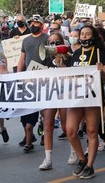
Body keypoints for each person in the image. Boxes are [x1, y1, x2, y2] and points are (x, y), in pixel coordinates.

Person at [66, 25, 105, 179]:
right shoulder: (76, 53)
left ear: (93, 36)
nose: (84, 37)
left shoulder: (101, 54)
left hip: (93, 97)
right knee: (70, 130)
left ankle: (90, 166)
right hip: (77, 97)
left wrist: (100, 72)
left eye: (87, 34)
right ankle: (82, 159)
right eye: (82, 34)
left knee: (92, 131)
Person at [38, 32, 70, 170]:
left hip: (65, 95)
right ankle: (48, 158)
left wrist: (61, 64)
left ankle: (74, 152)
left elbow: (72, 75)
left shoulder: (68, 58)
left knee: (66, 126)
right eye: (50, 42)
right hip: (50, 95)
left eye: (56, 42)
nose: (53, 44)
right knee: (48, 125)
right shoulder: (44, 58)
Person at [17, 15, 49, 152]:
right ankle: (29, 138)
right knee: (29, 108)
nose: (33, 25)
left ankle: (44, 132)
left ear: (42, 25)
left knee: (44, 109)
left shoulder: (47, 39)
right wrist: (18, 75)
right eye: (31, 23)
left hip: (44, 77)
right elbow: (22, 59)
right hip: (29, 78)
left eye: (36, 23)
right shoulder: (26, 40)